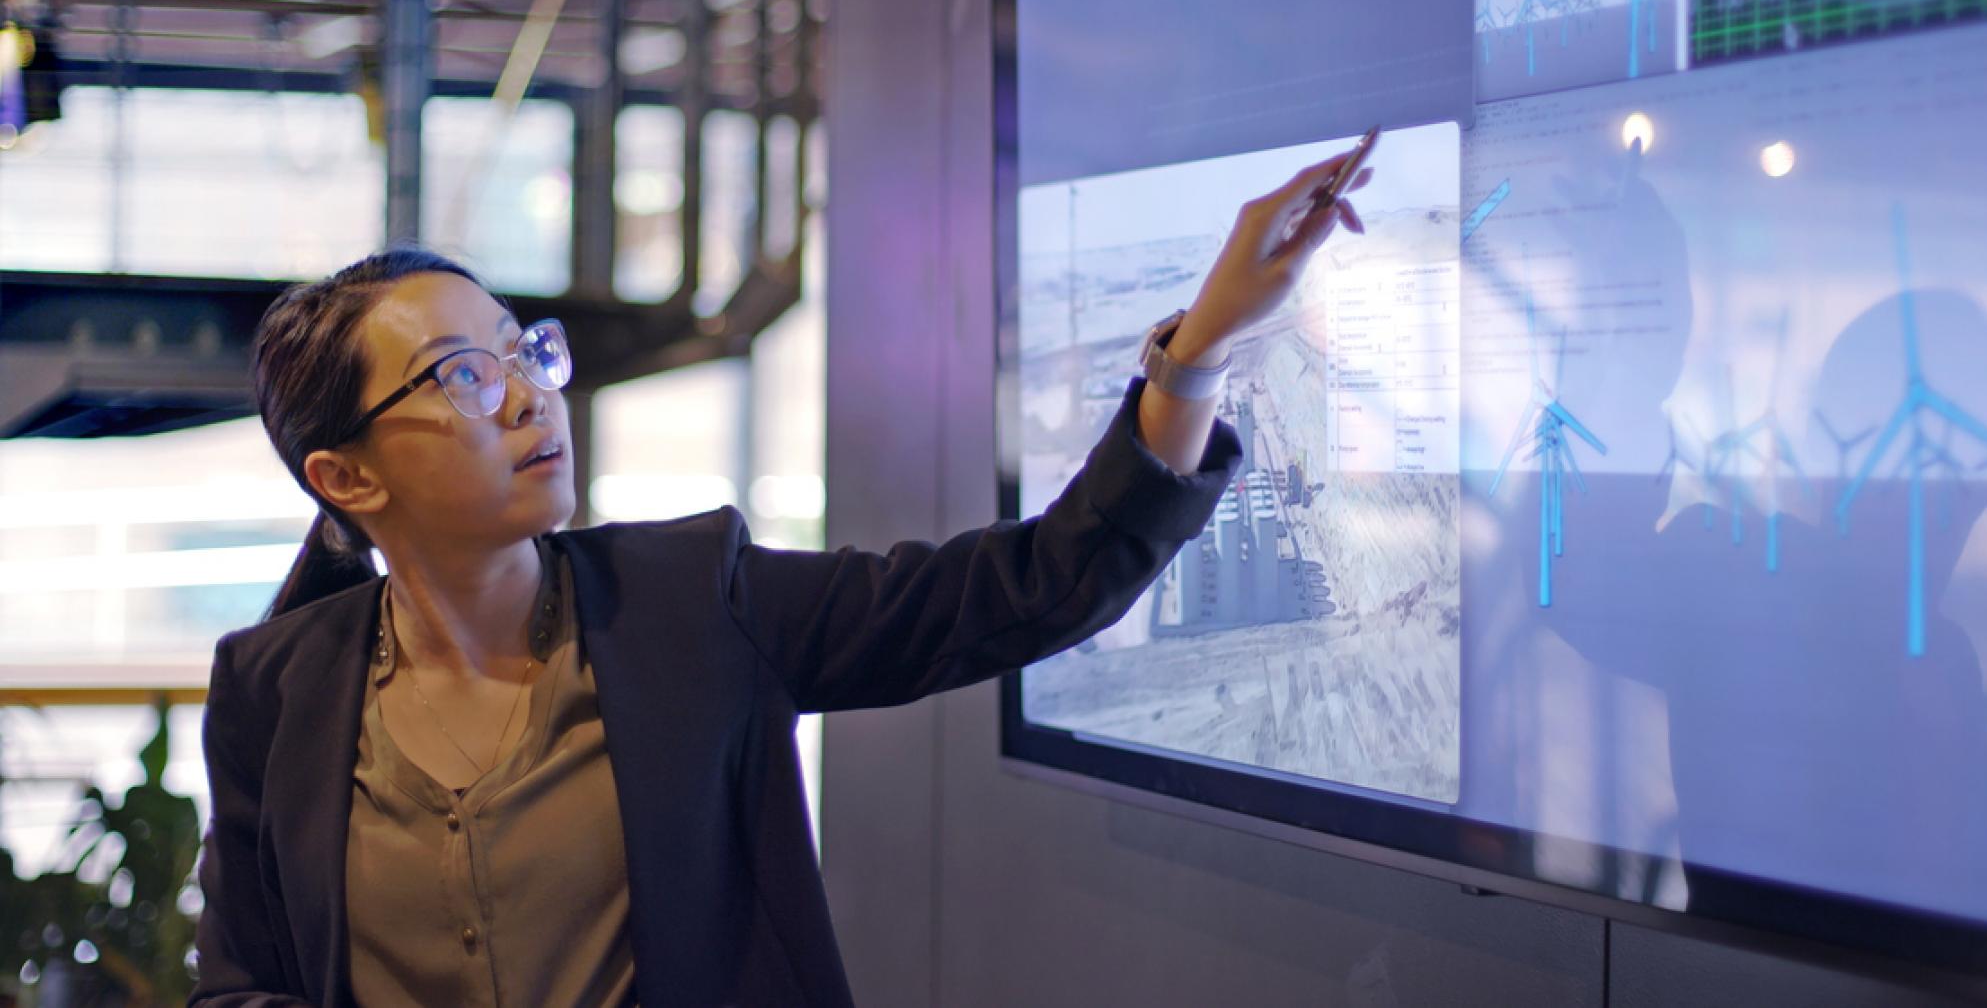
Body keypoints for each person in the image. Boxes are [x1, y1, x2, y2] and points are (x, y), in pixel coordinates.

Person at [188, 149, 1373, 1008]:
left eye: (521, 349)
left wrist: (1198, 352)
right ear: (345, 478)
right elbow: (240, 987)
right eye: (459, 374)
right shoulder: (274, 686)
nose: (525, 392)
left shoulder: (690, 604)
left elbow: (1036, 584)